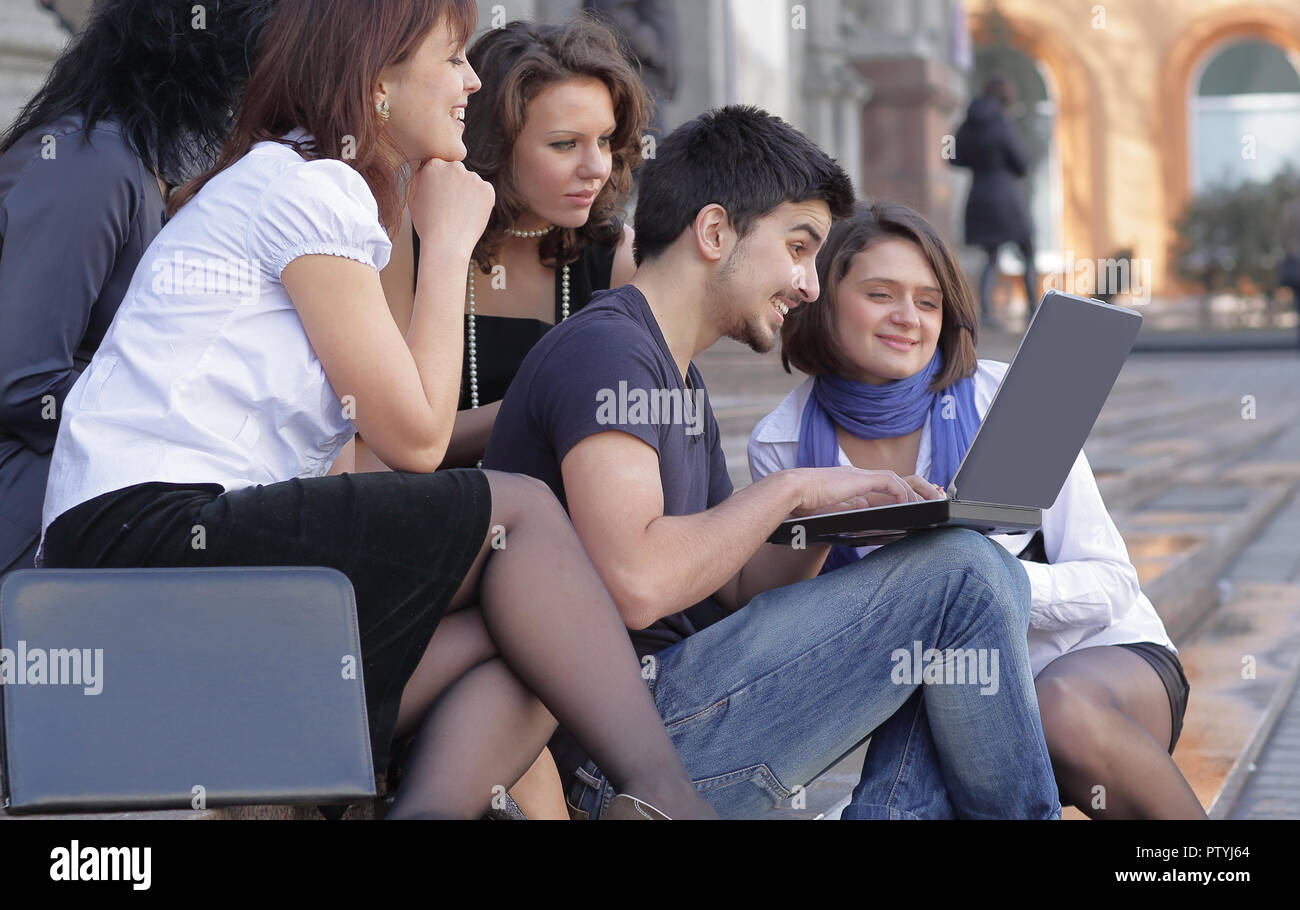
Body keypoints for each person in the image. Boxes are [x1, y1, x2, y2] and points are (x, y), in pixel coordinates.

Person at [36, 0, 716, 822]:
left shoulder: (298, 183)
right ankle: (674, 801)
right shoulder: (308, 186)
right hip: (144, 540)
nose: (471, 80)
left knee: (542, 635)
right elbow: (420, 437)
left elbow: (361, 459)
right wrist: (452, 240)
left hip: (177, 559)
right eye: (453, 58)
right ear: (377, 78)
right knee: (524, 518)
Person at [483, 104, 1062, 820]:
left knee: (968, 568)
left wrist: (837, 521)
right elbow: (635, 580)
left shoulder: (673, 372)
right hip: (626, 752)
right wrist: (791, 488)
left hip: (678, 705)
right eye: (798, 247)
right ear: (715, 230)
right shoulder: (610, 354)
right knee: (968, 577)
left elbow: (733, 590)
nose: (810, 285)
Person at [750, 200, 1206, 819]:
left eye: (928, 301)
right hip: (945, 704)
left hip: (1092, 665)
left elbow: (1112, 584)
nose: (907, 318)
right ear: (824, 298)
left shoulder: (1010, 398)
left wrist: (974, 578)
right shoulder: (783, 445)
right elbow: (812, 624)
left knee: (1056, 710)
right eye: (880, 294)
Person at [0, 0, 275, 581]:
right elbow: (21, 379)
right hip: (35, 508)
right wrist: (188, 410)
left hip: (112, 492)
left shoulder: (160, 161)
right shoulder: (91, 161)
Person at [371, 15, 647, 471]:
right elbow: (381, 444)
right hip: (434, 518)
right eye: (564, 144)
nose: (596, 167)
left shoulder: (620, 259)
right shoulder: (403, 238)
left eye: (603, 140)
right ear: (495, 142)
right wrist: (546, 403)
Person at [951, 77, 1037, 329]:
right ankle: (1034, 310)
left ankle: (986, 312)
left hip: (978, 193)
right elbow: (1021, 162)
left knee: (990, 255)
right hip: (1006, 195)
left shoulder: (966, 124)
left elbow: (953, 158)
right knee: (1027, 251)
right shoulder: (1002, 123)